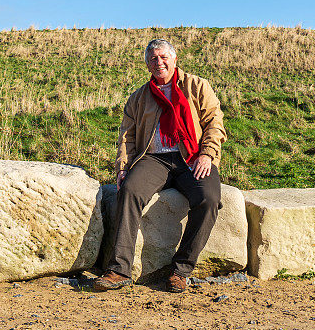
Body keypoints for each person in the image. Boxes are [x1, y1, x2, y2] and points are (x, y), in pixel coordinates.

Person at [94, 38, 227, 293]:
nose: (159, 62)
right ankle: (119, 269)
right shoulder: (139, 97)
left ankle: (181, 270)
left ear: (174, 59)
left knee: (209, 199)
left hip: (191, 156)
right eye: (153, 59)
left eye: (163, 57)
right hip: (154, 158)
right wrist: (123, 167)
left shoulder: (197, 86)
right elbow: (127, 135)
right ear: (147, 65)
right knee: (129, 190)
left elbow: (214, 123)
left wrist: (207, 154)